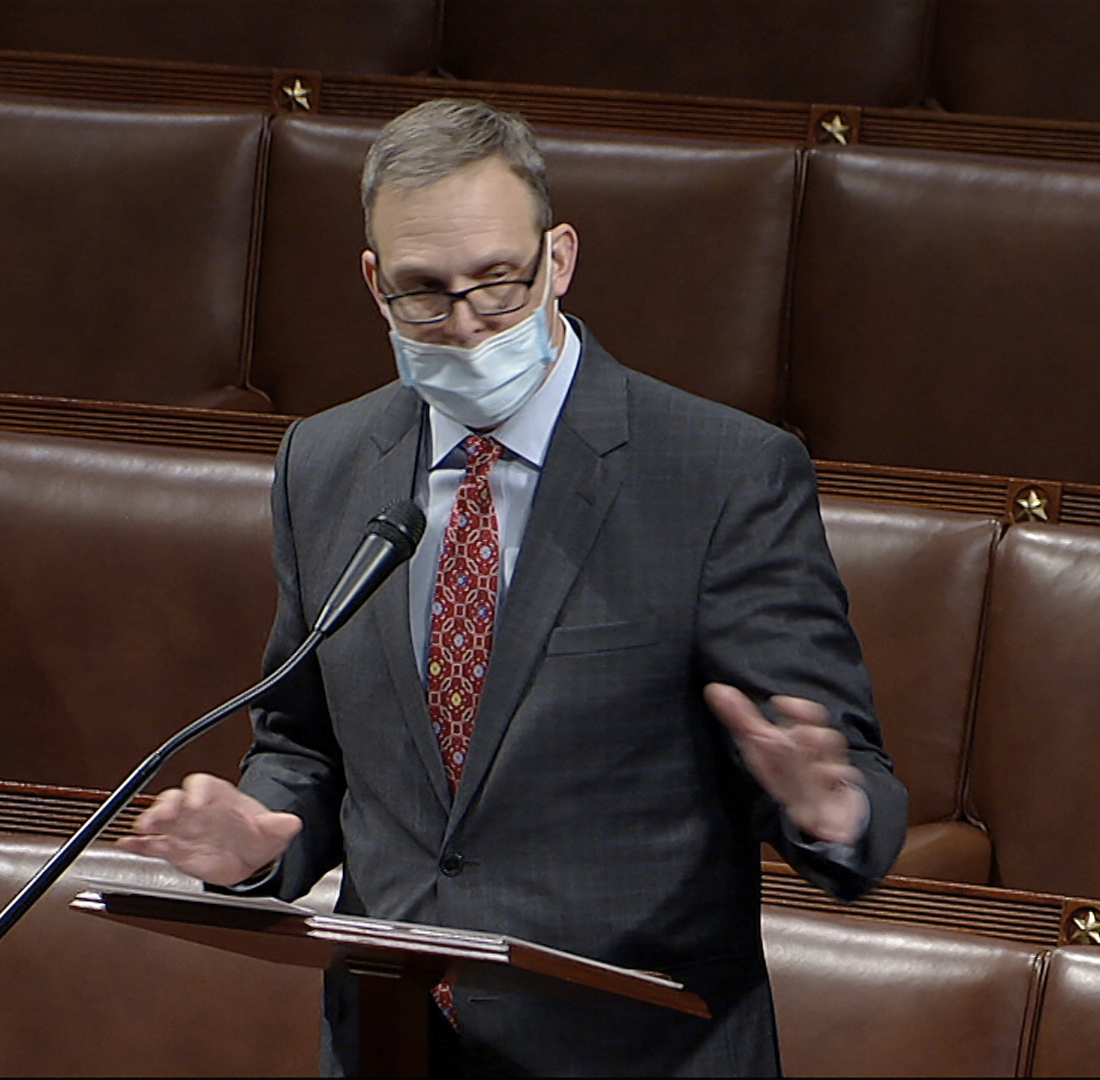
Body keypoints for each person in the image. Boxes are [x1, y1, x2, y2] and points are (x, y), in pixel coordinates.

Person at [122, 99, 905, 1076]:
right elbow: (304, 743)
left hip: (639, 1053)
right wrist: (255, 843)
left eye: (498, 284)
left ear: (559, 258)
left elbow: (856, 783)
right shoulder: (325, 465)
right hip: (396, 1044)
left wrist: (828, 814)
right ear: (373, 281)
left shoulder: (718, 476)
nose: (464, 325)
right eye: (422, 292)